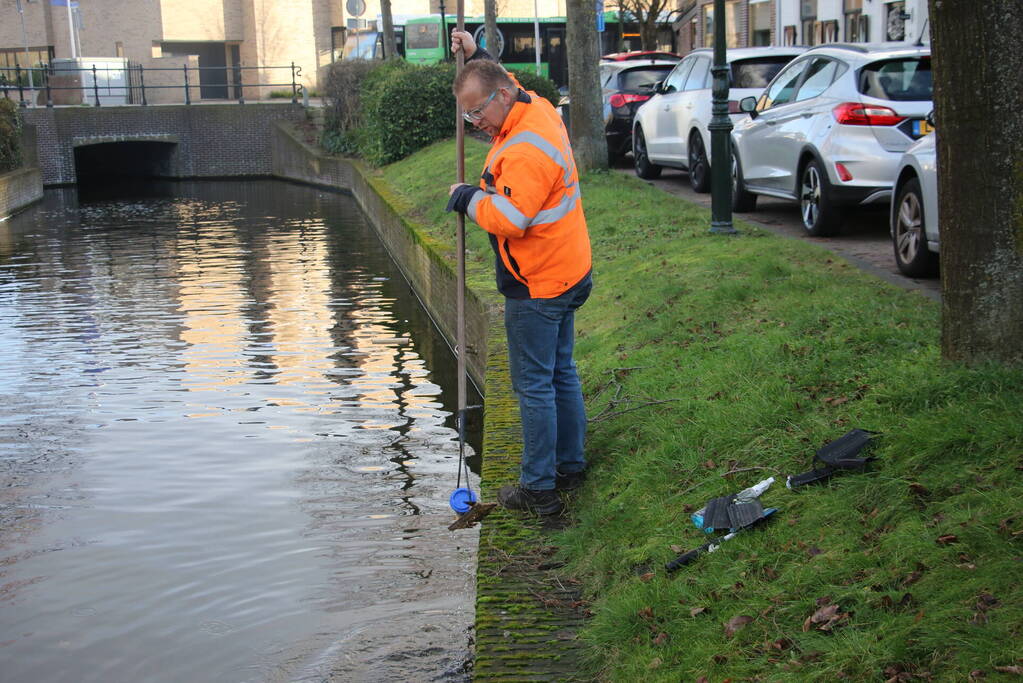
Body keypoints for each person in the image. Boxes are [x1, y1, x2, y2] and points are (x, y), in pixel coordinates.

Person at [446, 29, 592, 517]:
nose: (475, 123)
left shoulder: (525, 149)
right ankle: (570, 465)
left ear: (502, 99)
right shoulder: (535, 107)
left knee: (534, 384)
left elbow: (512, 219)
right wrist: (475, 56)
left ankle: (539, 489)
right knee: (560, 372)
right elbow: (500, 82)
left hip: (539, 285)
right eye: (468, 114)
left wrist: (468, 199)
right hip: (569, 269)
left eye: (478, 113)